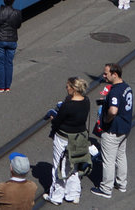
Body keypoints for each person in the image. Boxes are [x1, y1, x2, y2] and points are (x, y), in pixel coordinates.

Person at [43, 76, 90, 205]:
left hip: (63, 138)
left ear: (73, 88)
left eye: (68, 86)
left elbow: (58, 121)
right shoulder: (86, 101)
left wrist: (53, 119)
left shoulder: (68, 105)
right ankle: (73, 194)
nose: (66, 88)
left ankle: (56, 196)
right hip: (79, 138)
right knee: (73, 165)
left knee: (59, 166)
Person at [92, 62, 133, 199]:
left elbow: (113, 110)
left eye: (106, 74)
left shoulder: (115, 91)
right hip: (124, 128)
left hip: (112, 130)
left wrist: (106, 119)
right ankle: (121, 183)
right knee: (121, 156)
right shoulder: (126, 87)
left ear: (114, 74)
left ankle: (106, 189)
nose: (103, 76)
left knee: (108, 160)